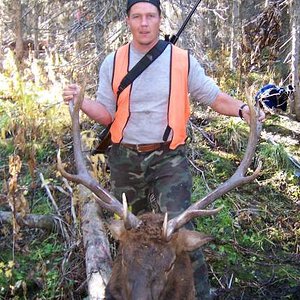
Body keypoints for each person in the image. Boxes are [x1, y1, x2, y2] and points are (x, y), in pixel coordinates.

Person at [63, 0, 265, 298]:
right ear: (128, 21)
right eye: (137, 17)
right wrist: (82, 101)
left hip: (169, 158)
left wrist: (242, 109)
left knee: (179, 233)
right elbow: (107, 113)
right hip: (125, 157)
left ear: (160, 20)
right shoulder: (113, 62)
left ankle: (198, 294)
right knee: (132, 238)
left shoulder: (181, 61)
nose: (144, 23)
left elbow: (213, 97)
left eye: (150, 16)